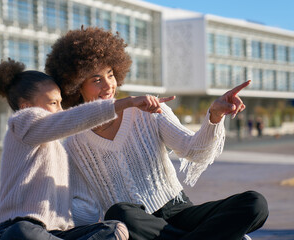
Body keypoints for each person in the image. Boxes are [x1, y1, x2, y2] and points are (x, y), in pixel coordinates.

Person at [45, 27, 268, 240]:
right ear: (75, 86)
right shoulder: (74, 143)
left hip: (179, 211)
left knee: (254, 203)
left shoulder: (147, 111)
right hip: (136, 226)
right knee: (119, 214)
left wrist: (215, 115)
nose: (108, 85)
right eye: (96, 80)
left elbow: (193, 151)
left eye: (110, 75)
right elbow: (85, 208)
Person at [0, 58, 173, 240]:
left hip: (54, 233)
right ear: (26, 106)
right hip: (15, 230)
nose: (61, 110)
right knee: (22, 231)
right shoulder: (21, 123)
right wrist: (126, 103)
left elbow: (81, 206)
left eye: (61, 102)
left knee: (115, 228)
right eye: (53, 103)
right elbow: (68, 120)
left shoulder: (59, 148)